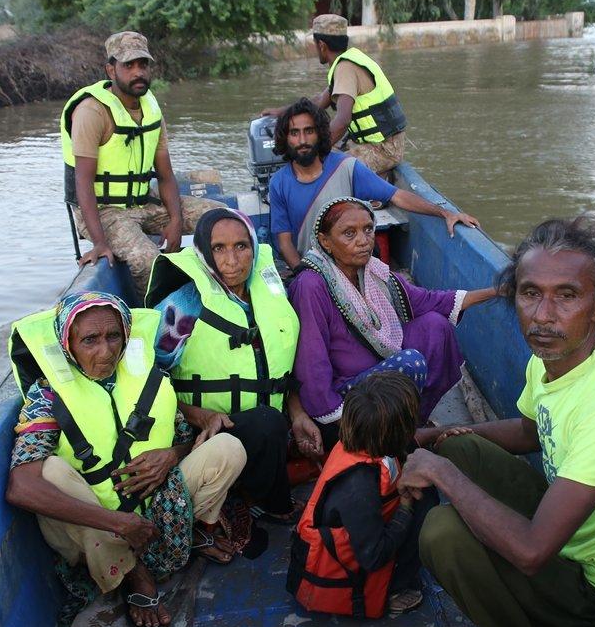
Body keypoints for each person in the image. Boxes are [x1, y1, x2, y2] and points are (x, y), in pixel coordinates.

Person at [401, 217, 595, 627]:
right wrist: (431, 439)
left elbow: (530, 551)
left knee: (442, 533)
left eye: (567, 296)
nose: (544, 315)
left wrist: (440, 473)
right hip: (574, 558)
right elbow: (529, 430)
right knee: (459, 444)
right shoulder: (550, 362)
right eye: (529, 293)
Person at [5, 291, 247, 627]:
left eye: (113, 336)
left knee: (228, 448)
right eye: (89, 340)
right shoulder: (46, 397)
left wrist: (170, 457)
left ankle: (185, 534)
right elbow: (21, 486)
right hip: (100, 527)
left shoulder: (148, 376)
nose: (105, 351)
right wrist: (118, 522)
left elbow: (181, 438)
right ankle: (134, 575)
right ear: (68, 343)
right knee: (50, 472)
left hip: (160, 505)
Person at [144, 208, 323, 523]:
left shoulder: (269, 295)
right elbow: (145, 383)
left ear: (254, 247)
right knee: (268, 422)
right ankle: (269, 503)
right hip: (208, 431)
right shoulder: (183, 308)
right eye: (219, 248)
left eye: (241, 246)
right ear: (203, 251)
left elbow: (280, 368)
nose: (232, 260)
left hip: (270, 423)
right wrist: (198, 415)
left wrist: (297, 414)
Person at [288, 197, 497, 453]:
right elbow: (311, 363)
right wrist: (335, 422)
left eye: (368, 229)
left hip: (377, 374)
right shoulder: (311, 284)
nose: (364, 240)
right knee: (410, 362)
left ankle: (409, 424)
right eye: (349, 234)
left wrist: (495, 291)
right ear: (325, 241)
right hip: (345, 398)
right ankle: (383, 434)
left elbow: (428, 301)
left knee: (435, 325)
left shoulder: (373, 271)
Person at [60, 31, 225, 295]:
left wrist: (175, 219)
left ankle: (225, 291)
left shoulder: (151, 110)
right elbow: (83, 182)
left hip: (143, 200)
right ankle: (159, 314)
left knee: (220, 218)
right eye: (129, 65)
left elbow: (165, 175)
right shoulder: (92, 112)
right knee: (147, 260)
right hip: (104, 210)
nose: (138, 72)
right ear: (111, 70)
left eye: (143, 64)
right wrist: (100, 243)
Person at [287, 371, 438, 618]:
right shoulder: (358, 485)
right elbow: (373, 556)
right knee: (427, 504)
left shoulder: (364, 438)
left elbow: (405, 447)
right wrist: (406, 505)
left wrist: (439, 435)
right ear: (395, 432)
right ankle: (394, 591)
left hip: (364, 530)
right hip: (360, 560)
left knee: (426, 489)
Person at [266, 98, 480, 269]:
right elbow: (285, 242)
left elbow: (397, 196)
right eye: (295, 133)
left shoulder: (346, 167)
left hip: (351, 262)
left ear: (319, 134)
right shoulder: (279, 183)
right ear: (286, 139)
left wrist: (445, 214)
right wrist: (302, 271)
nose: (302, 139)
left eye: (309, 131)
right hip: (313, 267)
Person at [262, 14, 408, 175]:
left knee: (319, 169)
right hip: (382, 144)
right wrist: (282, 112)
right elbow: (318, 101)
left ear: (322, 45)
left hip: (382, 150)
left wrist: (314, 152)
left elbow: (342, 121)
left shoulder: (345, 68)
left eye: (315, 44)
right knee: (315, 149)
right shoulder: (349, 61)